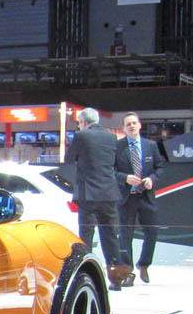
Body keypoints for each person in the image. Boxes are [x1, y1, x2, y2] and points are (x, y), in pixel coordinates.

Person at [69, 107, 131, 289]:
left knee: (86, 236)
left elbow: (69, 158)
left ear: (83, 122)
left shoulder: (82, 136)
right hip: (109, 193)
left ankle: (86, 275)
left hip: (88, 194)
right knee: (110, 235)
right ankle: (116, 279)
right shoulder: (111, 137)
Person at [115, 112, 166, 284]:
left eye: (134, 123)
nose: (132, 126)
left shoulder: (151, 145)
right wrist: (125, 178)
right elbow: (110, 171)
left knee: (152, 232)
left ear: (140, 125)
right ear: (124, 128)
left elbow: (160, 168)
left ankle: (144, 264)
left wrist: (152, 179)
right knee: (125, 235)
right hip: (126, 198)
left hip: (146, 197)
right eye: (128, 124)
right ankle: (127, 271)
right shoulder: (117, 147)